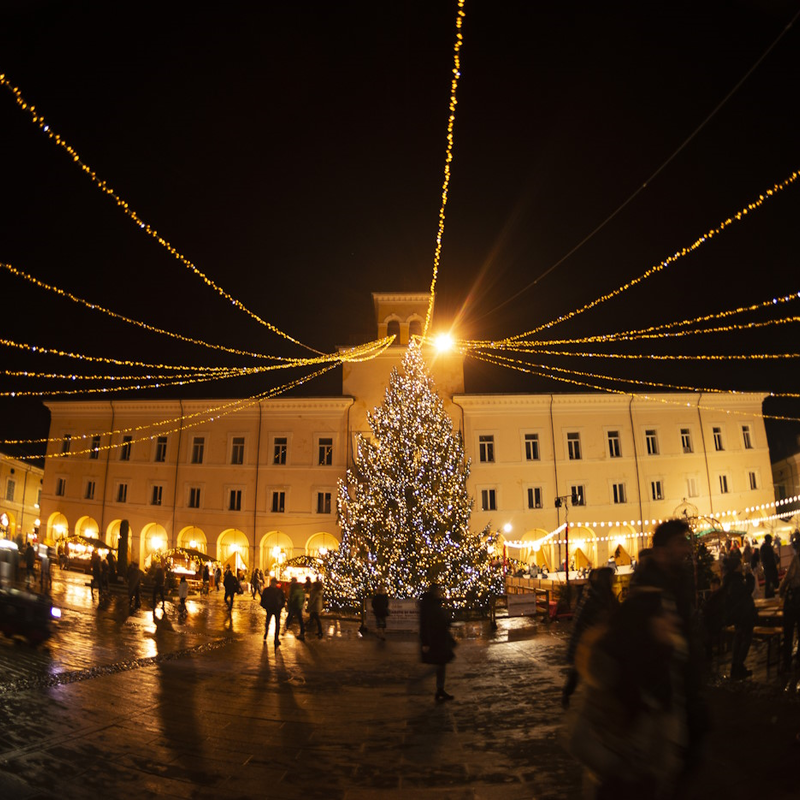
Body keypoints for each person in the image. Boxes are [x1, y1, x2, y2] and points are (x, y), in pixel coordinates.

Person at [630, 519, 708, 777]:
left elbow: (685, 632)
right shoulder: (645, 591)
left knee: (681, 765)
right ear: (661, 551)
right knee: (659, 771)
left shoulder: (680, 580)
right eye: (679, 543)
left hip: (683, 689)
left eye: (686, 542)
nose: (686, 548)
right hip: (657, 698)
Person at [562, 567, 618, 708]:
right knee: (580, 670)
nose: (614, 580)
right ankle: (568, 695)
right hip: (588, 641)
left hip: (600, 640)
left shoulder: (604, 596)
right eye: (611, 578)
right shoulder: (593, 598)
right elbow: (583, 621)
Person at [419, 583, 456, 701]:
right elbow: (424, 624)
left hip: (440, 638)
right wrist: (425, 642)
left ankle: (440, 689)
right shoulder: (428, 605)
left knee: (441, 664)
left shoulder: (434, 603)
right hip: (434, 639)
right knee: (438, 665)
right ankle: (419, 682)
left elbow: (441, 618)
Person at [722, 552, 756, 679]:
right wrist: (749, 576)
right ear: (736, 567)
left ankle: (736, 666)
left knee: (739, 639)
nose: (742, 566)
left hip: (738, 616)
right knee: (745, 640)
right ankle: (738, 666)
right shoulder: (736, 581)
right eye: (740, 565)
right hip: (743, 615)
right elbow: (747, 591)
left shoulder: (730, 579)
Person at [778, 535, 800, 672]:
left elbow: (789, 576)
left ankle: (786, 662)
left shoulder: (797, 559)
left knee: (789, 629)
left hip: (795, 597)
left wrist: (781, 589)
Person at [260, 577, 285, 646]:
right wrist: (266, 607)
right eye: (273, 582)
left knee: (277, 624)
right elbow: (263, 600)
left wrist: (281, 606)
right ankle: (266, 634)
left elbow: (283, 600)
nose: (274, 584)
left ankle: (276, 638)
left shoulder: (279, 591)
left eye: (275, 582)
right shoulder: (267, 590)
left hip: (277, 609)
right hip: (270, 609)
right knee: (268, 622)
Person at [761, 534, 779, 598]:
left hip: (769, 567)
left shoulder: (766, 547)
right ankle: (769, 594)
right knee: (769, 581)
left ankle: (771, 594)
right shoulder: (765, 547)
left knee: (770, 581)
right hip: (769, 567)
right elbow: (766, 558)